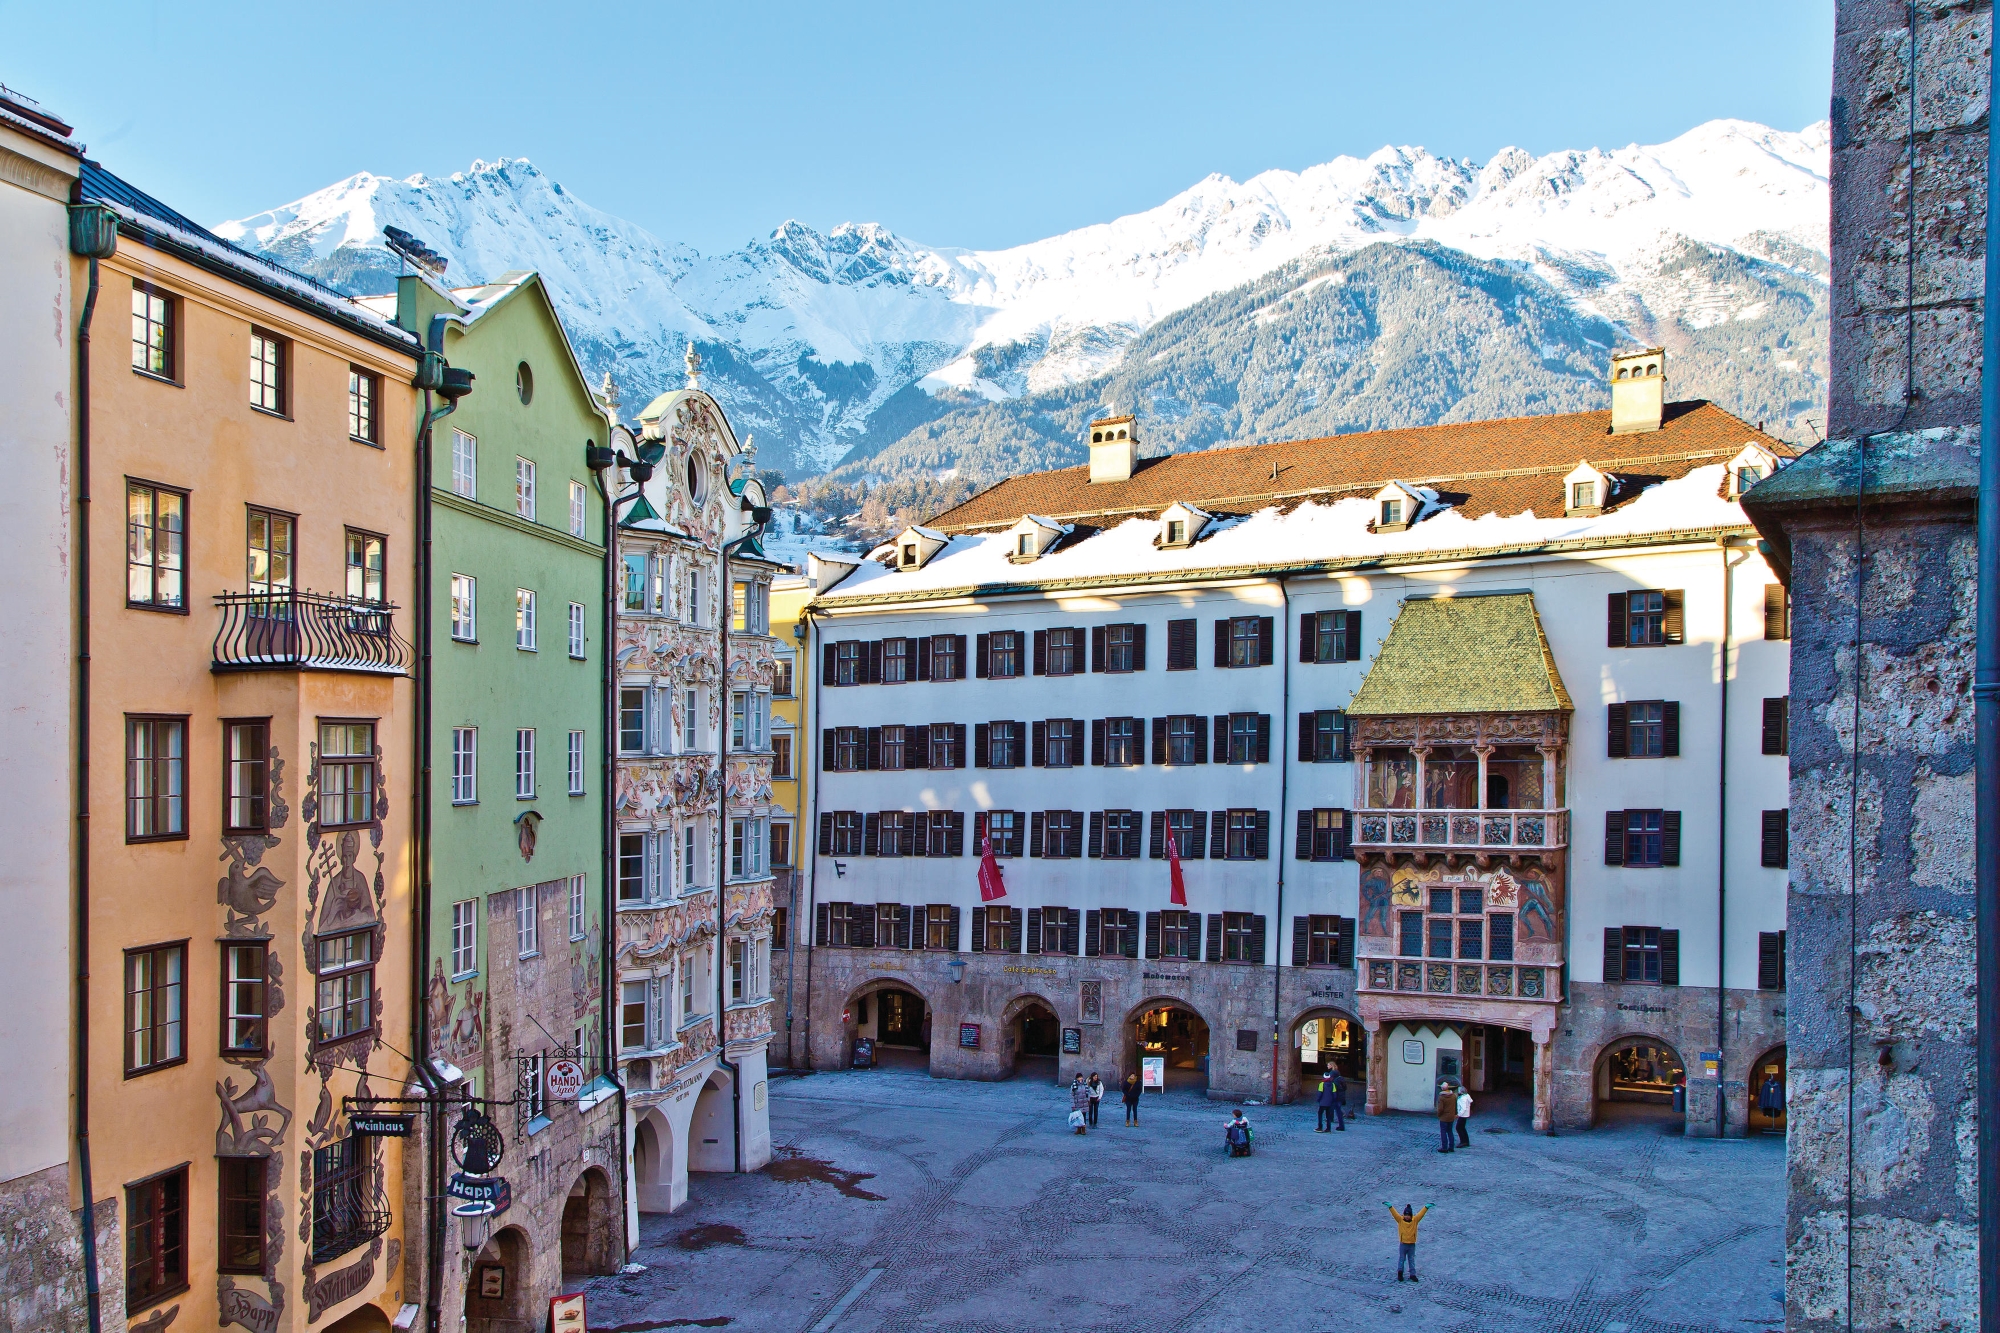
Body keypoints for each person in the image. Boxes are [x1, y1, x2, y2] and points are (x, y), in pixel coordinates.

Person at [1384, 1202, 1430, 1281]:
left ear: (1411, 1215)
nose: (1407, 1217)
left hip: (1412, 1244)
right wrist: (1390, 1207)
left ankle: (1412, 1274)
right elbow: (1394, 1214)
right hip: (1403, 1244)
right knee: (1402, 1258)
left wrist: (1426, 1207)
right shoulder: (1400, 1220)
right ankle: (1400, 1273)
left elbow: (1421, 1214)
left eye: (1408, 1215)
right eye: (1406, 1215)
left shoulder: (1415, 1220)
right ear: (1404, 1215)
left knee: (1411, 1259)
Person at [1435, 1081, 1458, 1152]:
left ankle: (1444, 1147)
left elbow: (1440, 1108)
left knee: (1443, 1132)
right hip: (1451, 1116)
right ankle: (1451, 1147)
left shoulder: (1441, 1097)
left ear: (1442, 1088)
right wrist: (1455, 1114)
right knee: (1450, 1131)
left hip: (1444, 1117)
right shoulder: (1453, 1095)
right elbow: (1455, 1106)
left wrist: (1438, 1115)